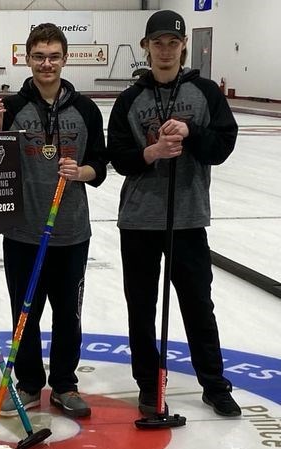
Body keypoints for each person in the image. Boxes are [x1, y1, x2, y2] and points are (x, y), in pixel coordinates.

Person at [107, 10, 241, 417]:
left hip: (188, 219)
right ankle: (149, 385)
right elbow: (118, 155)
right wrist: (150, 152)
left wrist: (191, 132)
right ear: (146, 47)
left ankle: (215, 384)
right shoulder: (130, 99)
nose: (165, 51)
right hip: (139, 221)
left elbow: (222, 145)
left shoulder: (205, 93)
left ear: (184, 46)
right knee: (141, 306)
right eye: (157, 43)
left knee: (199, 304)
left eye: (173, 43)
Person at [0, 23, 107, 418]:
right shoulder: (13, 105)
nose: (46, 63)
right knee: (26, 312)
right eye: (39, 56)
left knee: (67, 312)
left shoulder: (86, 109)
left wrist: (82, 172)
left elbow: (100, 166)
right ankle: (30, 383)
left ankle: (65, 385)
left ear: (65, 58)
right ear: (27, 58)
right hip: (23, 230)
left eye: (54, 56)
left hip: (71, 230)